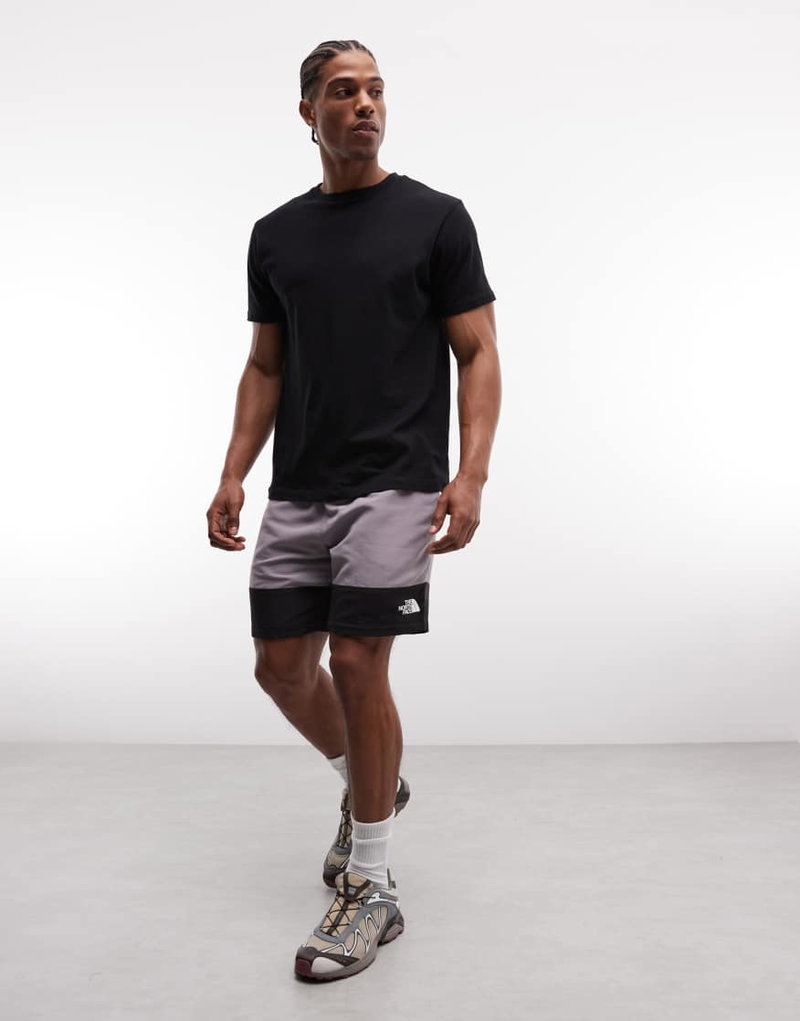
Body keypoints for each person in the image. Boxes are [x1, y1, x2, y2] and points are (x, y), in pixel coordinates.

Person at [206, 38, 501, 982]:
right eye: (344, 91)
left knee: (358, 661)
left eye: (376, 89)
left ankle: (371, 884)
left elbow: (478, 351)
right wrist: (233, 472)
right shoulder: (276, 235)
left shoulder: (436, 219)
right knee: (280, 667)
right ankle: (373, 783)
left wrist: (471, 475)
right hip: (300, 483)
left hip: (398, 481)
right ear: (309, 112)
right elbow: (265, 364)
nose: (365, 104)